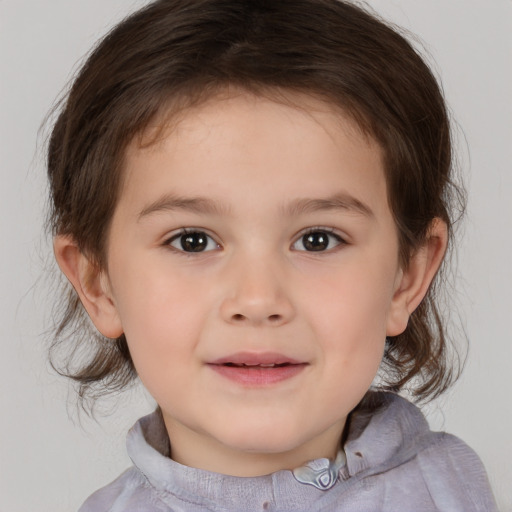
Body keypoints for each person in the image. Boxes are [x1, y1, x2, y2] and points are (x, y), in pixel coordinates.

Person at [46, 0, 498, 510]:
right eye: (192, 240)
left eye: (318, 239)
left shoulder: (451, 491)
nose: (258, 300)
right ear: (98, 283)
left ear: (407, 276)